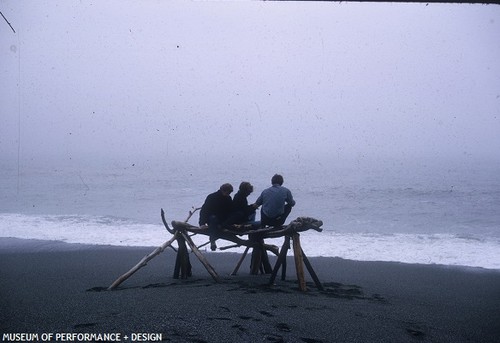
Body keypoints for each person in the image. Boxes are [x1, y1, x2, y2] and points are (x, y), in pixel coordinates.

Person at [199, 183, 233, 251]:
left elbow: (230, 211)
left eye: (229, 193)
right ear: (223, 190)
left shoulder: (228, 198)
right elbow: (204, 210)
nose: (228, 194)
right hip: (212, 219)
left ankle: (221, 228)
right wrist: (202, 224)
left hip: (222, 220)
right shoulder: (212, 197)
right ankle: (212, 241)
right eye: (228, 192)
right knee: (213, 219)